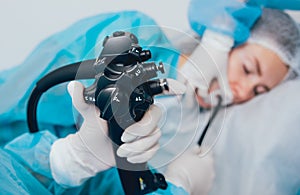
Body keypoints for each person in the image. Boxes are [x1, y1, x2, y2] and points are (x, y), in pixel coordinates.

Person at [1, 3, 300, 195]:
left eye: (259, 91)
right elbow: (17, 100)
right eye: (248, 69)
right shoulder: (131, 32)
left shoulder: (193, 137)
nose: (244, 91)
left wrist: (178, 184)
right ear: (226, 42)